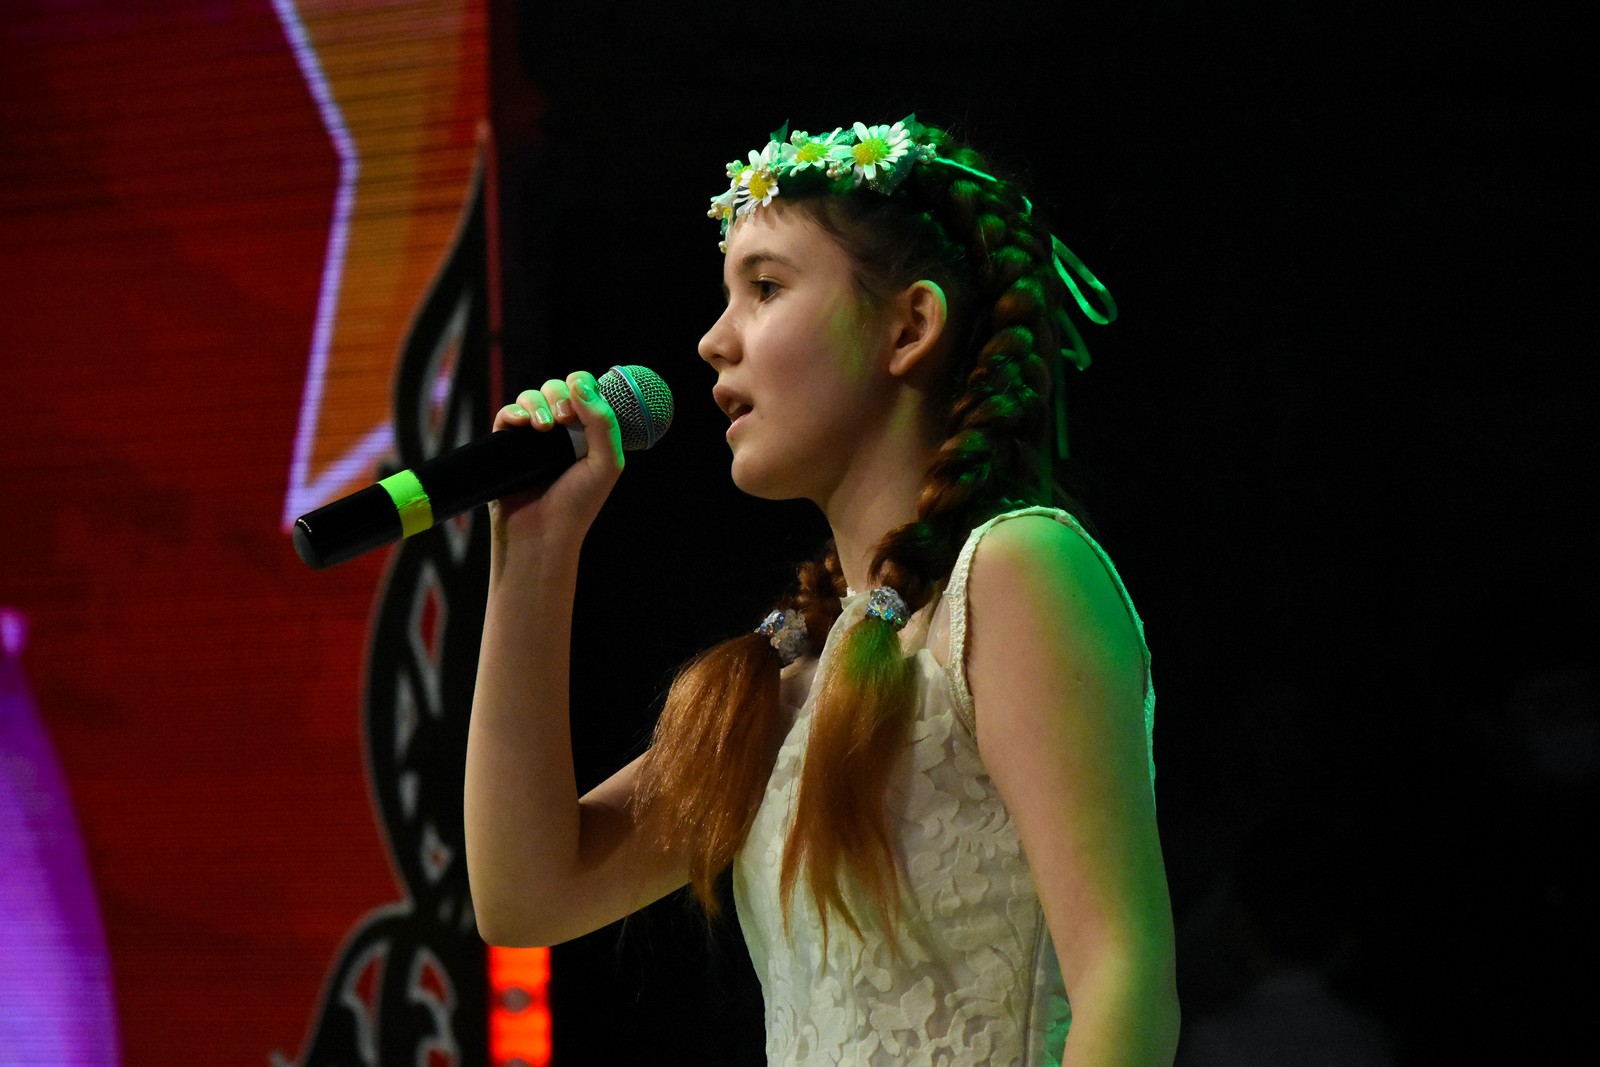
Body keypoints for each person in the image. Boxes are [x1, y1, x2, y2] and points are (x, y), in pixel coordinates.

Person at [465, 116, 1179, 1066]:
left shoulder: (1015, 572)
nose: (713, 341)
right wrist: (532, 555)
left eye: (765, 287)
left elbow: (1124, 978)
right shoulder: (789, 678)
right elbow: (526, 894)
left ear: (909, 327)